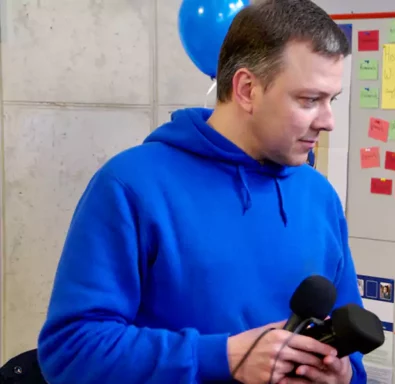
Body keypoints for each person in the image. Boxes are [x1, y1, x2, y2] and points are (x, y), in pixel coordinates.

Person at [36, 1, 366, 383]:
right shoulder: (132, 185)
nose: (328, 122)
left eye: (332, 100)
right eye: (309, 100)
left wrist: (341, 374)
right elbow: (71, 350)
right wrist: (223, 356)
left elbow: (351, 349)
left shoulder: (319, 196)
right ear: (246, 89)